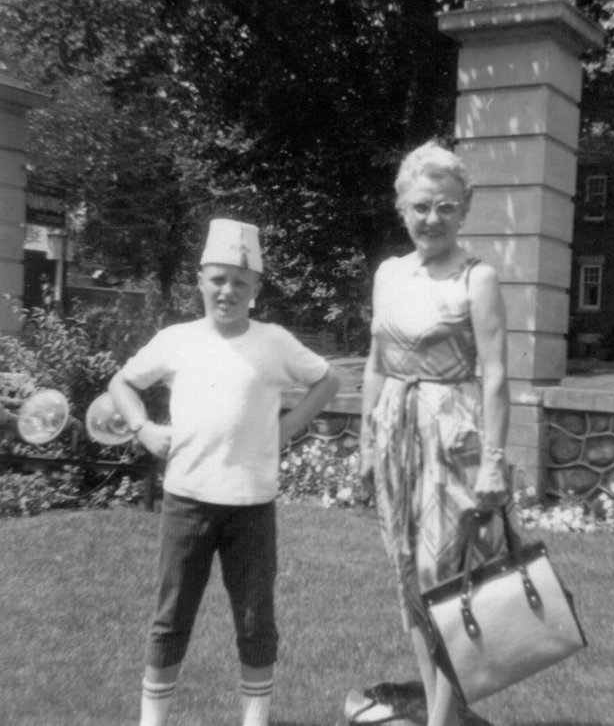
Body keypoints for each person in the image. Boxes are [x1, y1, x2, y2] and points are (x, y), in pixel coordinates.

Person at [108, 218, 341, 726]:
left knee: (257, 621)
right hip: (187, 501)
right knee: (171, 619)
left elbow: (327, 379)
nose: (227, 291)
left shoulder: (274, 341)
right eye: (217, 279)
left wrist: (292, 424)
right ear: (200, 280)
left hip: (252, 507)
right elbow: (122, 383)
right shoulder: (178, 339)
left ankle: (253, 720)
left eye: (239, 281)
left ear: (256, 288)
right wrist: (143, 427)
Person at [359, 141, 511, 726]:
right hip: (395, 433)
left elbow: (496, 374)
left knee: (443, 578)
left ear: (464, 209)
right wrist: (367, 443)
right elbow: (375, 362)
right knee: (407, 578)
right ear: (402, 207)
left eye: (446, 207)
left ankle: (444, 719)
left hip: (453, 437)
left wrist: (494, 460)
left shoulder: (478, 278)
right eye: (421, 206)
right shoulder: (389, 274)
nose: (433, 219)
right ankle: (444, 713)